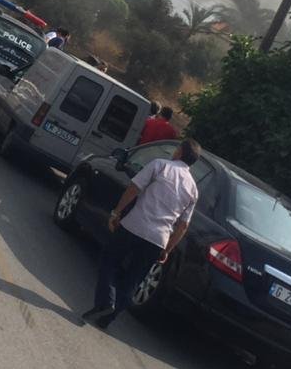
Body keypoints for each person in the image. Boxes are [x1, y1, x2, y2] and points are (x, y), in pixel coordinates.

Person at [82, 139, 202, 330]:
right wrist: (168, 249)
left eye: (177, 148)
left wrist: (117, 212)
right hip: (158, 239)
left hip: (134, 225)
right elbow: (183, 225)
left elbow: (134, 188)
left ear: (180, 152)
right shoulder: (193, 190)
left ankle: (106, 301)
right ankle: (108, 318)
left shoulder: (160, 165)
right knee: (133, 279)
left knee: (109, 261)